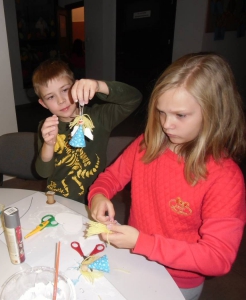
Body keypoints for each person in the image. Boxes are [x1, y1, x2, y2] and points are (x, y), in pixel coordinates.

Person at [88, 53, 246, 300]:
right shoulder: (145, 145)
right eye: (161, 112)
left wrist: (142, 242)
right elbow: (110, 178)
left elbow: (218, 257)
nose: (166, 125)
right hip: (136, 259)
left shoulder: (225, 177)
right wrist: (98, 195)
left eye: (180, 115)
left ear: (214, 113)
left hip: (179, 281)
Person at [32, 59, 142, 203]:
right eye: (51, 97)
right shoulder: (46, 128)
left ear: (76, 86)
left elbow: (134, 98)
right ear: (43, 103)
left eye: (65, 90)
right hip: (58, 199)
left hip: (94, 199)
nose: (61, 101)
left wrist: (99, 86)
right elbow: (43, 172)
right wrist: (48, 144)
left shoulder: (99, 118)